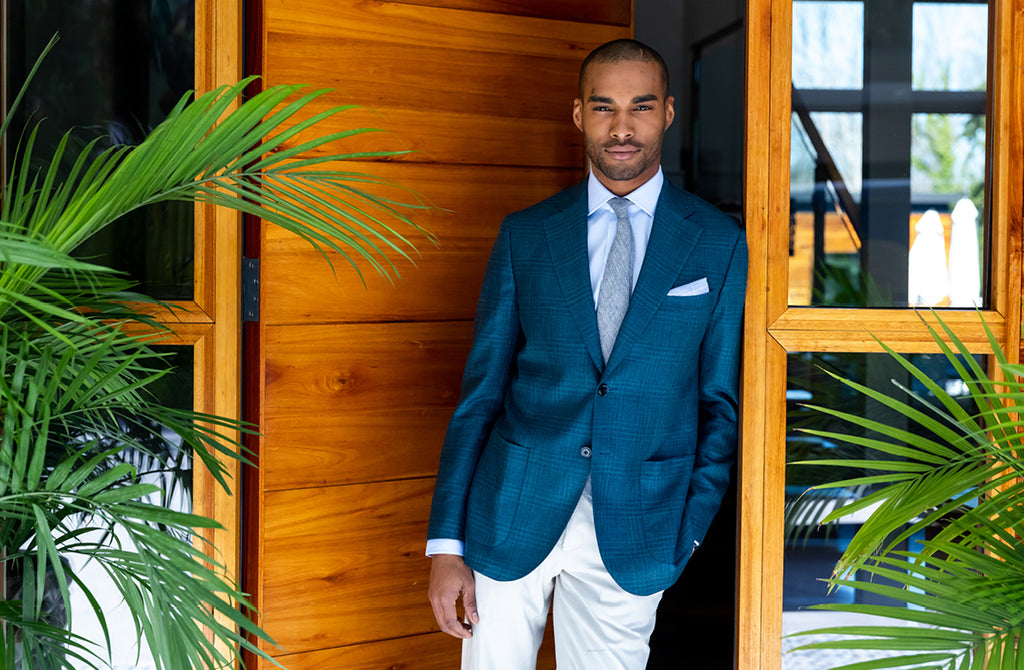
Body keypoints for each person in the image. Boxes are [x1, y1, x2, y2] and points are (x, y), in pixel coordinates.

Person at [426, 38, 747, 669]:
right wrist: (445, 543)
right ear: (578, 114)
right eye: (603, 108)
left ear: (668, 113)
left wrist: (685, 533)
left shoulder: (718, 243)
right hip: (511, 509)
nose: (621, 127)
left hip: (640, 521)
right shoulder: (526, 235)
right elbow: (481, 393)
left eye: (640, 107)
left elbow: (720, 404)